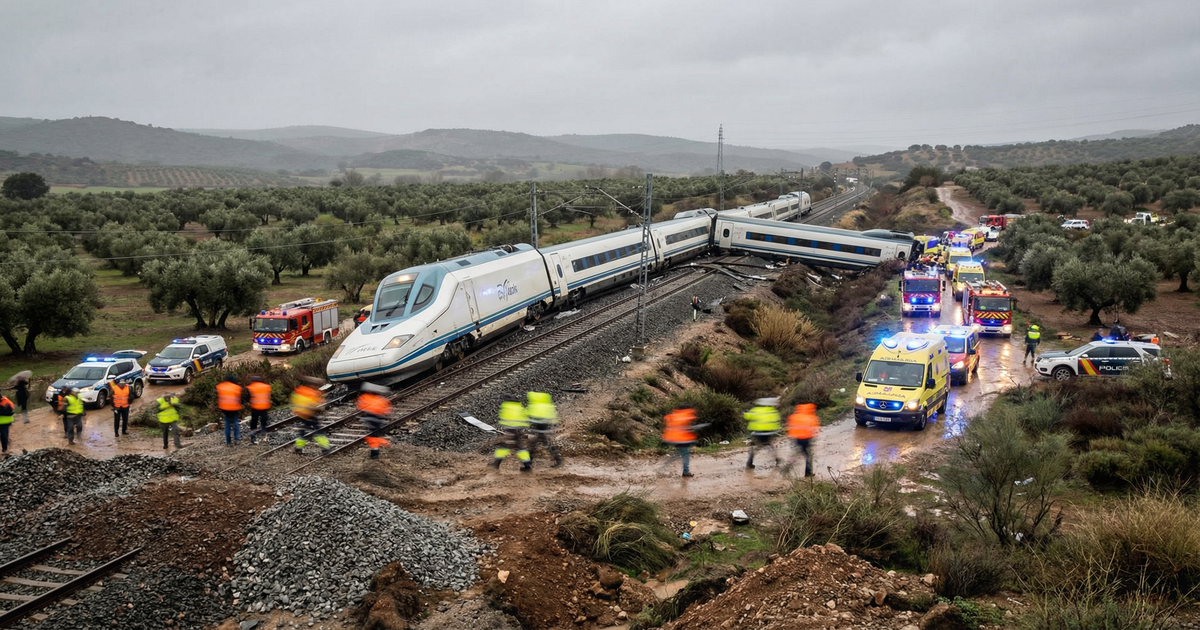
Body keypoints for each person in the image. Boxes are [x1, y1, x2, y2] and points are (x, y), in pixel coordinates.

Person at [490, 394, 531, 471]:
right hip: (517, 430)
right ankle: (527, 465)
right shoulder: (519, 406)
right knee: (520, 448)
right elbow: (525, 417)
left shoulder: (506, 406)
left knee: (504, 447)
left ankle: (496, 464)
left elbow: (502, 418)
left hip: (511, 430)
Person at [292, 377, 329, 455]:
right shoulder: (313, 394)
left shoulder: (301, 390)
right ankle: (325, 449)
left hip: (300, 414)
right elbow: (318, 406)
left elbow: (294, 402)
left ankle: (298, 448)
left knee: (302, 432)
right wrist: (321, 406)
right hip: (308, 415)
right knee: (318, 432)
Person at [525, 391, 562, 467]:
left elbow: (528, 416)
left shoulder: (534, 405)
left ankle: (558, 460)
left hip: (539, 428)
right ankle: (529, 462)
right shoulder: (546, 405)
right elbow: (553, 415)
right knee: (536, 444)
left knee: (539, 444)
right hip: (544, 427)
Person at [745, 398, 782, 469]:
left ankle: (749, 462)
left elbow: (747, 416)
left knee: (759, 446)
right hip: (768, 433)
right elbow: (776, 422)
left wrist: (745, 412)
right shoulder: (772, 411)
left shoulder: (756, 410)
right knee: (768, 445)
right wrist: (776, 431)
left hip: (757, 433)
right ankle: (777, 460)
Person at [357, 383, 392, 460]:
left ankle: (381, 446)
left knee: (373, 437)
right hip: (377, 419)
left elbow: (360, 406)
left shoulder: (365, 397)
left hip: (369, 419)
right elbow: (386, 410)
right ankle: (376, 451)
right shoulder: (380, 400)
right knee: (374, 436)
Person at [785, 403, 819, 477]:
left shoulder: (794, 416)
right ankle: (808, 473)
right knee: (808, 456)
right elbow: (815, 430)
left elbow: (789, 427)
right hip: (807, 439)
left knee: (796, 454)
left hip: (796, 439)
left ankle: (786, 469)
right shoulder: (811, 417)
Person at [662, 407, 698, 477]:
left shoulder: (675, 416)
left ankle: (684, 471)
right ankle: (686, 472)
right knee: (685, 456)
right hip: (682, 441)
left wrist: (666, 439)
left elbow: (670, 427)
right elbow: (686, 429)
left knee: (683, 454)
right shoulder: (685, 416)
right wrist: (693, 440)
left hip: (675, 440)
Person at [216, 375, 243, 446]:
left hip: (225, 409)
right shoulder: (237, 387)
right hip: (234, 408)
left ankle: (228, 442)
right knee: (236, 423)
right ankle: (237, 440)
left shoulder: (221, 386)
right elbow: (239, 399)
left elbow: (219, 397)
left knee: (227, 425)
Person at [246, 376, 272, 445]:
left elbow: (248, 398)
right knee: (263, 422)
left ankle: (253, 438)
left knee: (253, 424)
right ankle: (264, 436)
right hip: (264, 408)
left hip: (255, 408)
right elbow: (269, 396)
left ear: (253, 381)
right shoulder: (266, 386)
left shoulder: (251, 387)